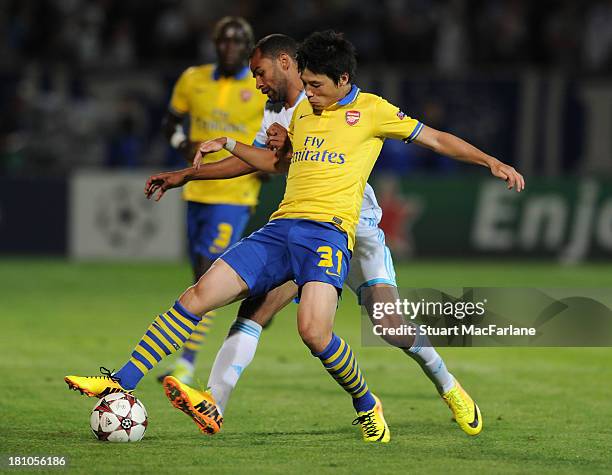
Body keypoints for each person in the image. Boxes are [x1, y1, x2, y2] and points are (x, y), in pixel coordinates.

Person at [65, 31, 524, 444]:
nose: (307, 93)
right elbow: (273, 163)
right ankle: (129, 381)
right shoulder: (299, 110)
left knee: (380, 327)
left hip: (348, 232)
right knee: (207, 295)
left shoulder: (374, 111)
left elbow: (439, 140)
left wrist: (491, 162)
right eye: (305, 84)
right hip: (285, 227)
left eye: (316, 85)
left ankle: (443, 386)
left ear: (343, 79)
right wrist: (207, 158)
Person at [160, 16, 267, 381]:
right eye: (224, 41)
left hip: (236, 193)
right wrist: (182, 144)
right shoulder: (193, 79)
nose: (229, 48)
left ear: (250, 48)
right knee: (197, 273)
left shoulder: (260, 86)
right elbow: (170, 124)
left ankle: (185, 363)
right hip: (196, 188)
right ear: (215, 44)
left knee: (207, 273)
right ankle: (260, 295)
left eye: (237, 42)